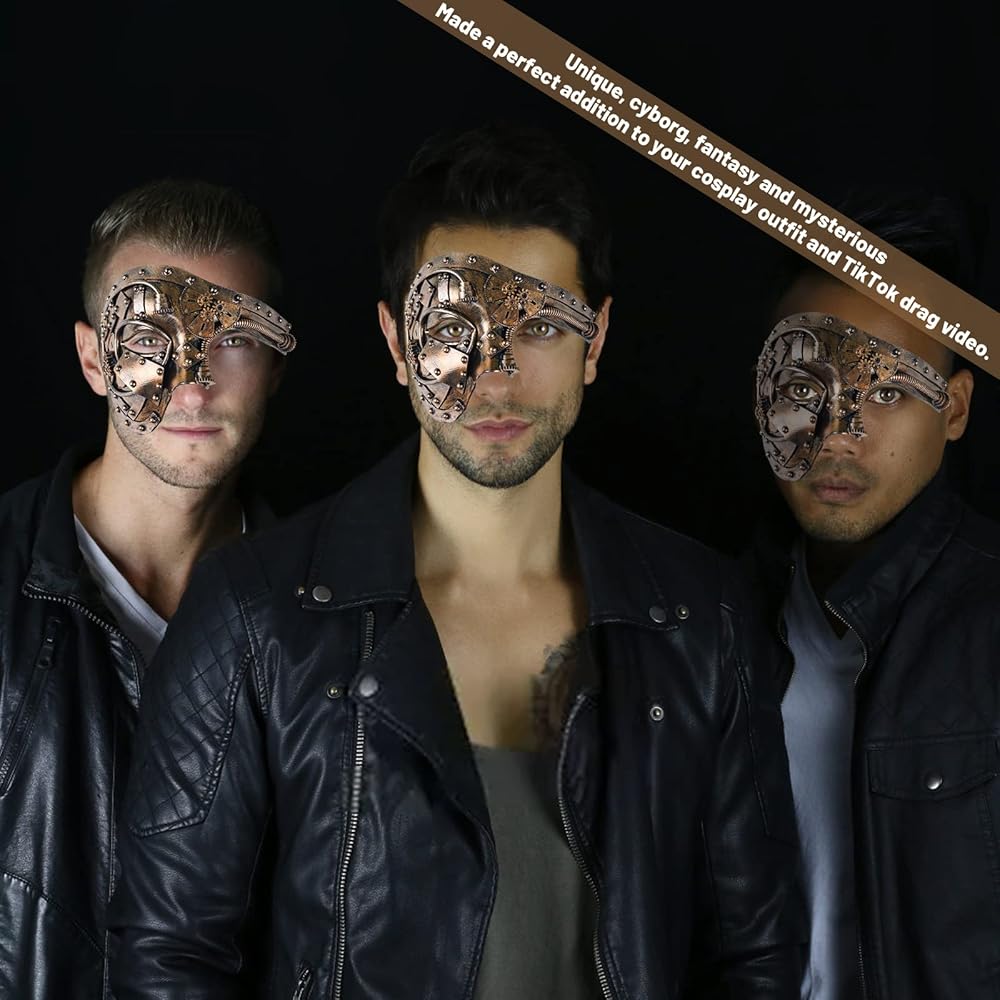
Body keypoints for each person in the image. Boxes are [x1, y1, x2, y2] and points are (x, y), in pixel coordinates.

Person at [110, 124, 802, 999]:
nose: (495, 378)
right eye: (451, 328)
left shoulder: (706, 617)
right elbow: (169, 955)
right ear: (398, 345)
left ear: (595, 341)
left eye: (540, 325)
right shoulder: (253, 612)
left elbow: (757, 956)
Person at [0, 178, 295, 998]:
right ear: (94, 359)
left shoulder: (336, 616)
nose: (192, 384)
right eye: (149, 337)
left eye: (231, 337)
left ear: (275, 361)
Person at [749, 195, 1000, 999]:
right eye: (801, 387)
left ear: (954, 408)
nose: (835, 434)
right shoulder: (701, 631)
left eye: (888, 391)